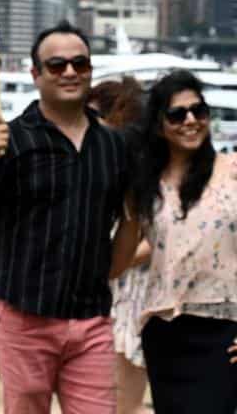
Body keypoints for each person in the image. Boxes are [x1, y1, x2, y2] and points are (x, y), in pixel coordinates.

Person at [0, 21, 126, 414]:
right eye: (57, 64)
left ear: (90, 70)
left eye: (79, 64)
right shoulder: (10, 140)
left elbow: (130, 220)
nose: (69, 72)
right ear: (36, 74)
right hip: (25, 319)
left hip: (92, 321)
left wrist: (109, 272)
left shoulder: (114, 145)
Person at [111, 71, 237, 412]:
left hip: (225, 332)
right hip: (166, 333)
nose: (191, 120)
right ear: (159, 125)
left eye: (199, 111)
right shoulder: (145, 186)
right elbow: (117, 263)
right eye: (177, 114)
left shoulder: (233, 170)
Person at [88, 77, 150, 414]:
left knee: (123, 403)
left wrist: (117, 262)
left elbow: (162, 240)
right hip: (120, 292)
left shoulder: (139, 168)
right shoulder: (110, 165)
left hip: (136, 292)